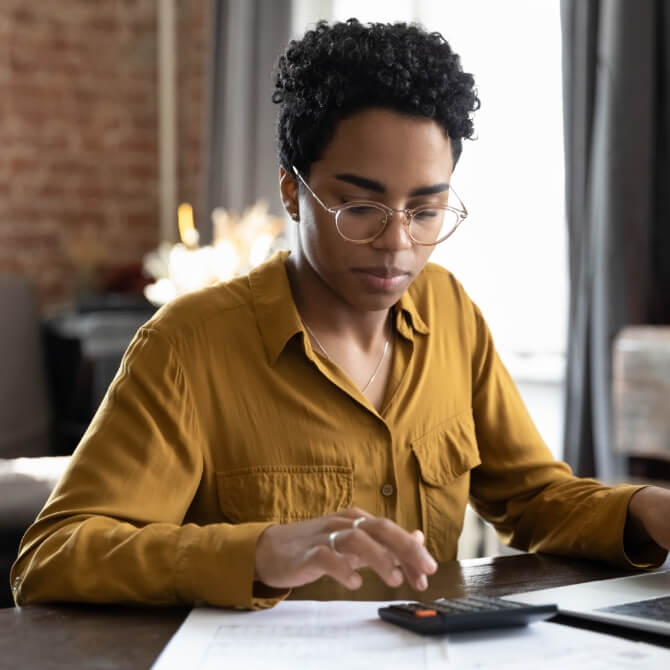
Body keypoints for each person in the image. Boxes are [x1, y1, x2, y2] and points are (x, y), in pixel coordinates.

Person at [11, 19, 670, 610]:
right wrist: (257, 552)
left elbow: (534, 499)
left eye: (426, 210)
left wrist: (647, 510)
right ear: (291, 192)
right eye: (360, 208)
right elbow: (53, 556)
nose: (398, 243)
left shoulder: (450, 313)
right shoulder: (189, 347)